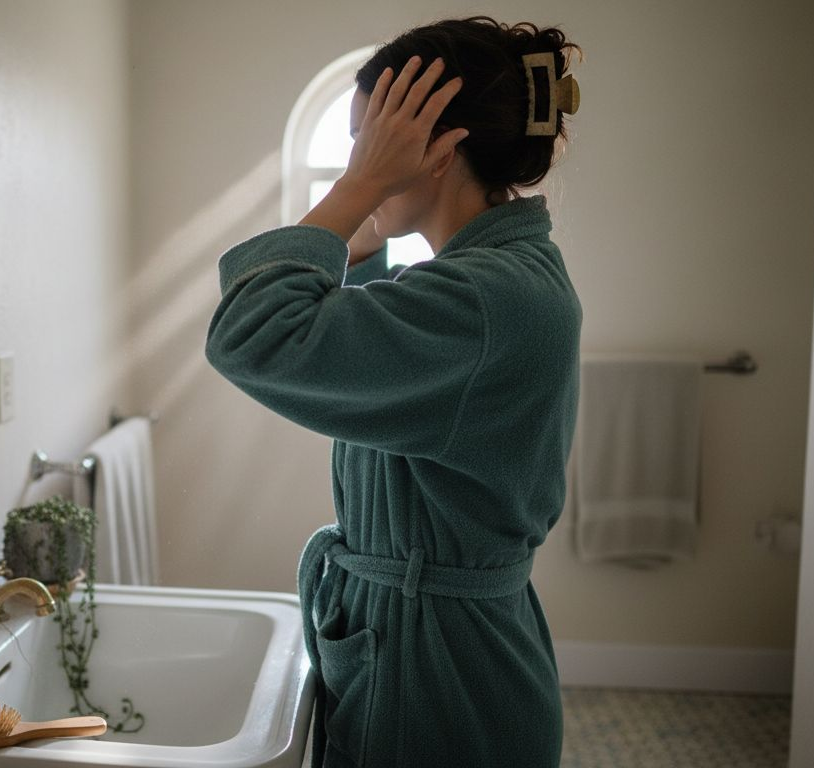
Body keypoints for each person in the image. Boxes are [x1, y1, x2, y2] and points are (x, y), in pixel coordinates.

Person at [205, 15, 583, 767]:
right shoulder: (493, 282)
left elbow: (251, 333)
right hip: (436, 648)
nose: (357, 159)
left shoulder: (486, 298)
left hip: (438, 672)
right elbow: (384, 366)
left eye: (367, 141)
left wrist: (357, 190)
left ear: (439, 147)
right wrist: (367, 236)